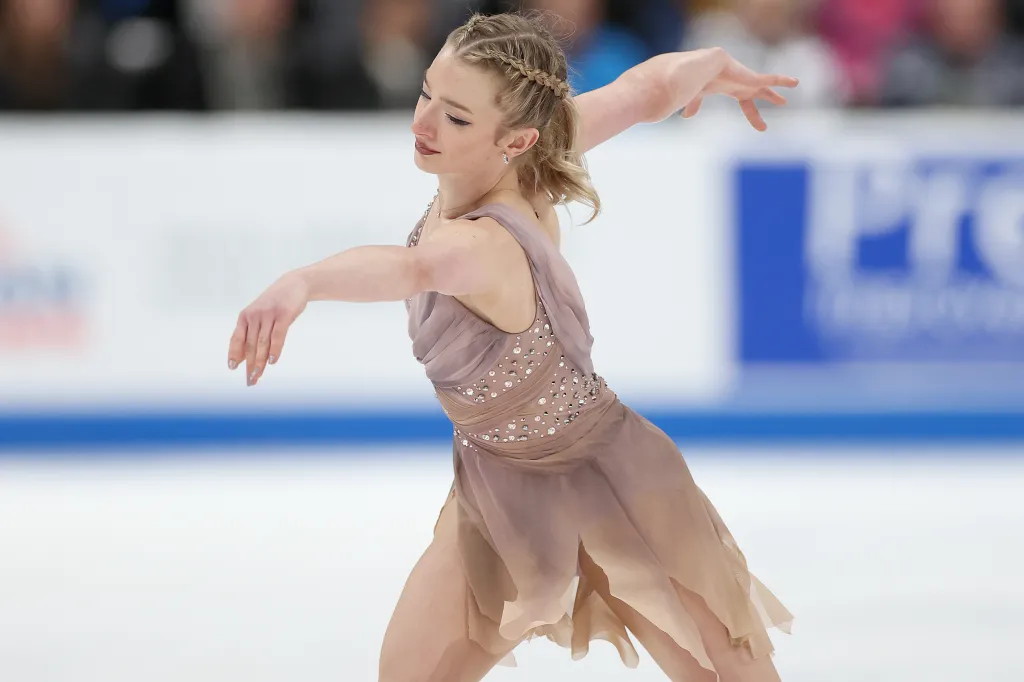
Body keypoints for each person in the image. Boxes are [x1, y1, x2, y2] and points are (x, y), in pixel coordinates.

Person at [227, 11, 798, 682]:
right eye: (427, 94)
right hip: (496, 493)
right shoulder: (537, 155)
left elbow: (410, 270)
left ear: (516, 139)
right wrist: (709, 63)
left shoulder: (484, 244)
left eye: (458, 118)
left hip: (612, 483)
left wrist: (303, 282)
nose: (425, 123)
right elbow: (645, 93)